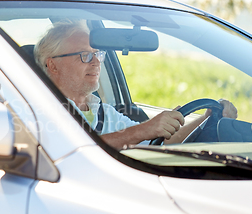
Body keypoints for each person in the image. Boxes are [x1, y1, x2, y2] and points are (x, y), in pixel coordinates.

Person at [34, 21, 238, 150]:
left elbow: (160, 141)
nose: (96, 62)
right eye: (85, 55)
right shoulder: (39, 109)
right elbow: (72, 149)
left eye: (98, 54)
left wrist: (206, 118)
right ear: (53, 64)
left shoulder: (105, 113)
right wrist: (144, 130)